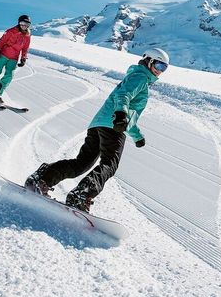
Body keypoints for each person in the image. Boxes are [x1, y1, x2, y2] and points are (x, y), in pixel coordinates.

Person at [24, 48, 170, 212]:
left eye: (164, 68)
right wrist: (120, 113)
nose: (160, 71)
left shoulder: (136, 76)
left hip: (99, 124)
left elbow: (129, 113)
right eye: (158, 65)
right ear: (149, 61)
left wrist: (137, 135)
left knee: (82, 163)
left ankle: (42, 179)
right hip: (113, 126)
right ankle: (82, 194)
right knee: (109, 164)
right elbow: (123, 96)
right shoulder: (141, 77)